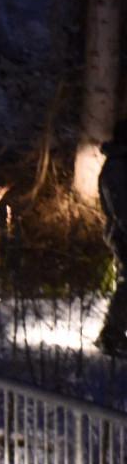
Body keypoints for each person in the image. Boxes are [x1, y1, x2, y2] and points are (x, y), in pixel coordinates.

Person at [98, 119, 127, 358]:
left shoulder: (119, 165)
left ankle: (113, 334)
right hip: (122, 235)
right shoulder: (117, 168)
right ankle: (112, 335)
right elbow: (122, 208)